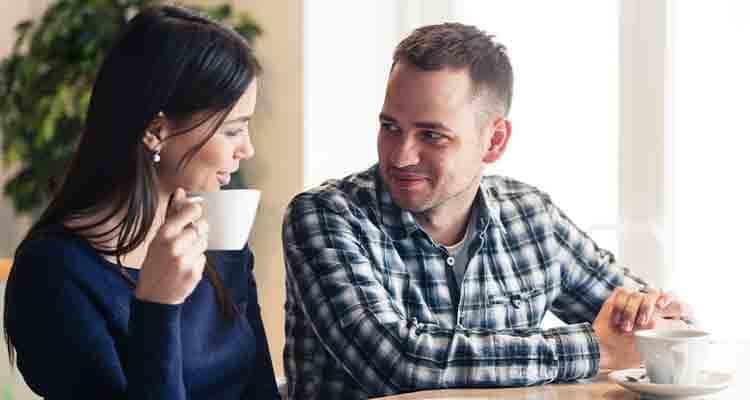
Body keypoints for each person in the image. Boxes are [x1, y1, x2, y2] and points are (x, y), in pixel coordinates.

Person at [282, 23, 693, 399]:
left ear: (494, 141)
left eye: (432, 135)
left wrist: (658, 316)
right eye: (390, 127)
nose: (401, 155)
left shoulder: (531, 217)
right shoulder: (325, 216)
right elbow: (399, 364)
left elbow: (649, 328)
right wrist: (597, 348)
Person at [3, 6, 279, 399]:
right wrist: (157, 306)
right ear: (156, 132)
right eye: (232, 130)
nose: (246, 149)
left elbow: (259, 392)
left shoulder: (217, 235)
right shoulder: (52, 275)